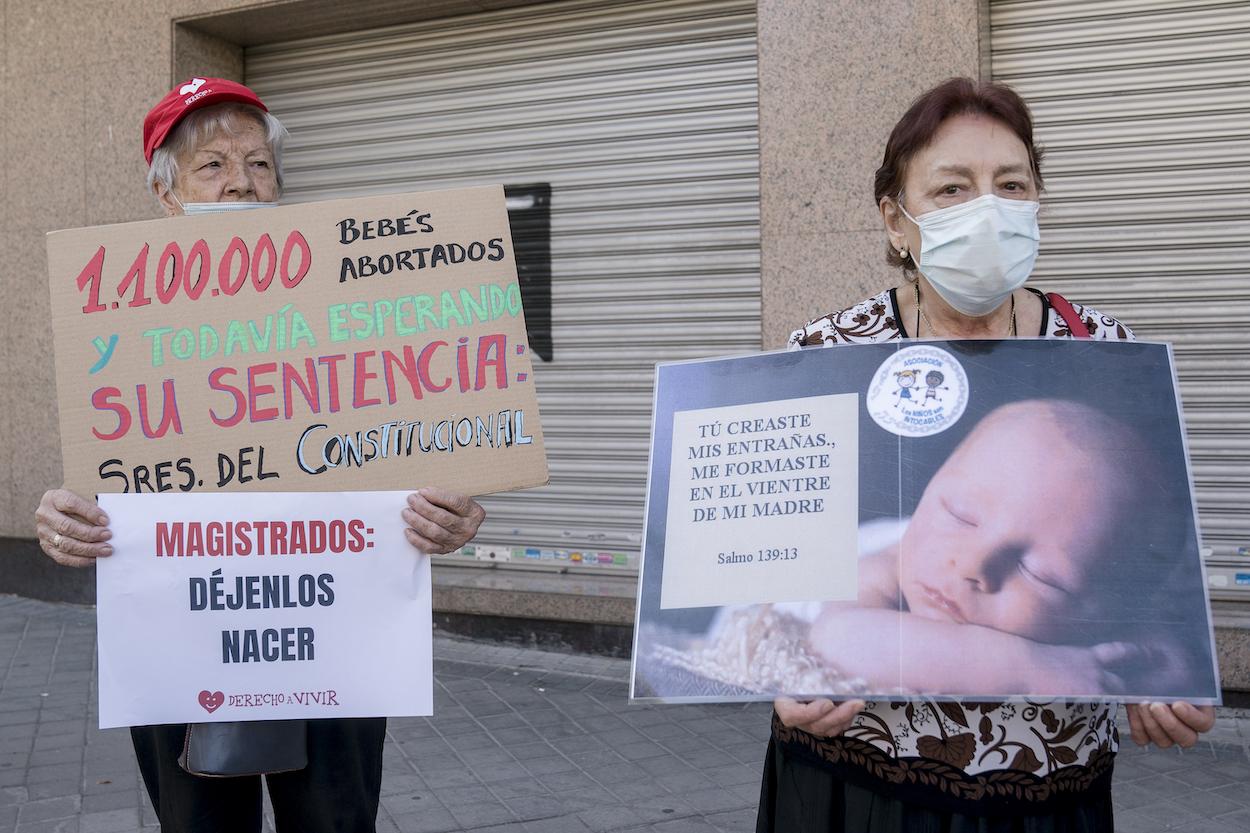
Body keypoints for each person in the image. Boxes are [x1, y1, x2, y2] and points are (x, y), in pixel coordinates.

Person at [757, 77, 1215, 832]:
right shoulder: (825, 357)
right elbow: (774, 571)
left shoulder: (1108, 356)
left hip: (1044, 790)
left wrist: (1169, 678)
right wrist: (777, 672)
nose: (987, 209)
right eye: (951, 189)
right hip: (855, 778)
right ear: (895, 221)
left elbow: (1152, 589)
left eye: (1011, 185)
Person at [33, 77, 487, 833]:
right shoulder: (119, 319)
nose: (241, 180)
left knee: (336, 822)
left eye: (259, 164)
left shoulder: (351, 306)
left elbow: (420, 445)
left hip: (333, 629)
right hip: (185, 635)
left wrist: (455, 503)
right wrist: (60, 515)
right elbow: (94, 479)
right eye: (210, 165)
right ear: (167, 194)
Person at [809, 398, 1208, 699]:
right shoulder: (887, 564)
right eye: (960, 515)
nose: (972, 564)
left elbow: (1173, 662)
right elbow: (837, 638)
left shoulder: (1117, 611)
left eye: (1041, 575)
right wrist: (1028, 667)